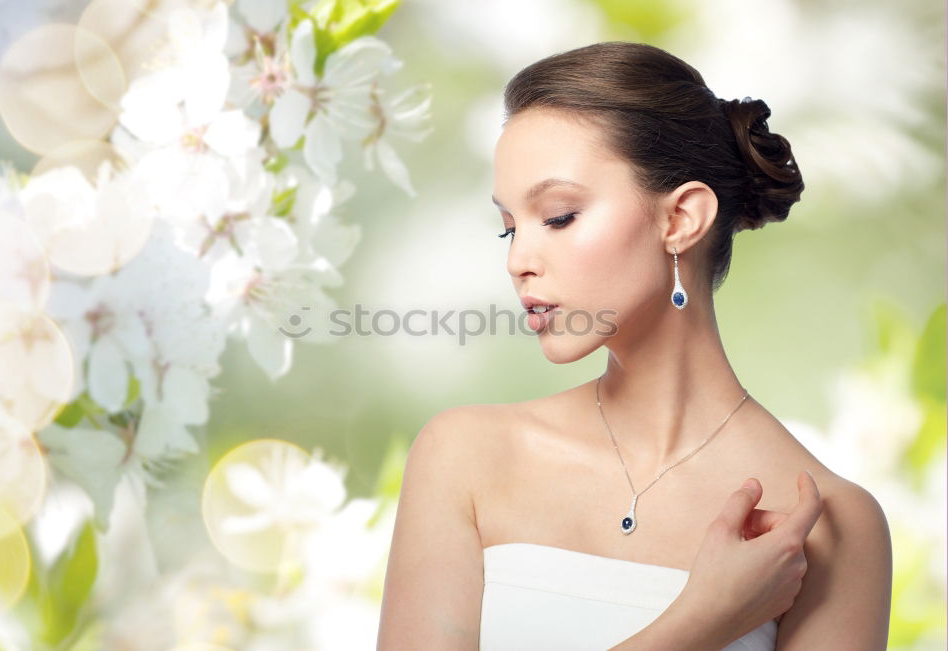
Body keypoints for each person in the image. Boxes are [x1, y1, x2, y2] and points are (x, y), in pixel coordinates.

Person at [376, 41, 893, 650]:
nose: (518, 260)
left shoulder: (828, 527)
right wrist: (703, 621)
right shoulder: (466, 458)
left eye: (559, 216)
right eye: (509, 227)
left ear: (680, 220)